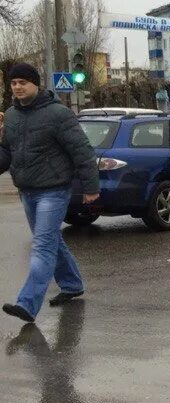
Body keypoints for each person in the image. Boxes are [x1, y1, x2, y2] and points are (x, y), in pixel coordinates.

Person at [0, 62, 99, 323]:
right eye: (14, 83)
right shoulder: (10, 115)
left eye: (23, 82)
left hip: (53, 190)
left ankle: (27, 304)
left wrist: (91, 187)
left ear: (36, 84)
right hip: (27, 190)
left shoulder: (58, 114)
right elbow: (6, 153)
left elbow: (82, 151)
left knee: (42, 246)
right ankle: (72, 284)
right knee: (52, 240)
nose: (18, 87)